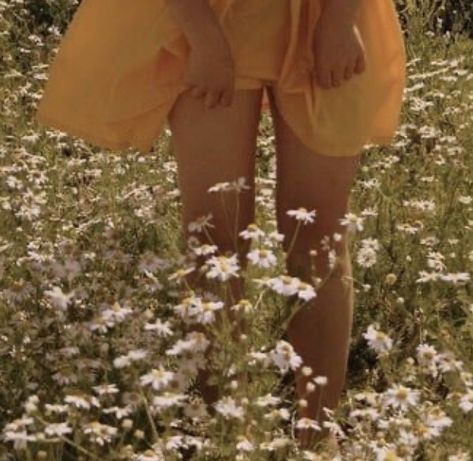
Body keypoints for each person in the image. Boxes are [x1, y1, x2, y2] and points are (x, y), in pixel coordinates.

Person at [35, 0, 407, 452]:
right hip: (209, 15)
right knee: (214, 233)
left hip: (327, 13)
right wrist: (203, 34)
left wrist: (340, 20)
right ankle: (227, 430)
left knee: (318, 236)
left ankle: (318, 434)